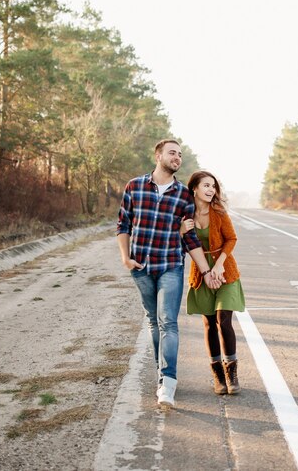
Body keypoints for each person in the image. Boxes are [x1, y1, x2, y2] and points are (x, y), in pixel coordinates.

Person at [117, 140, 221, 408]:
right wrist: (125, 258)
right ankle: (160, 372)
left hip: (171, 265)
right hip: (141, 267)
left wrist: (206, 270)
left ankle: (167, 381)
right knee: (153, 322)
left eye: (180, 154)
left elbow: (190, 240)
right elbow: (123, 223)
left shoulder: (183, 195)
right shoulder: (135, 186)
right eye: (173, 153)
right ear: (158, 155)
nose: (178, 157)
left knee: (168, 323)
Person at [181, 170, 245, 395]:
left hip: (224, 271)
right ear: (194, 189)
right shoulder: (184, 214)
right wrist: (180, 231)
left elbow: (232, 238)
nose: (211, 190)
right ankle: (217, 375)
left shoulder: (218, 211)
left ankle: (232, 372)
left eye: (213, 186)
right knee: (209, 323)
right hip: (200, 273)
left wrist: (218, 267)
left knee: (223, 319)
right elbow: (179, 244)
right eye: (206, 186)